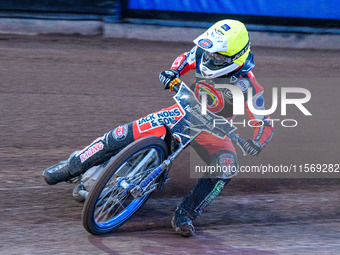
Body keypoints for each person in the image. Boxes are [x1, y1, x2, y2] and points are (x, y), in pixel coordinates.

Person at [43, 19, 274, 237]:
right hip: (184, 110)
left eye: (219, 57)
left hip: (212, 130)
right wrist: (173, 72)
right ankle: (72, 166)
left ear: (238, 57)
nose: (212, 58)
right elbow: (185, 57)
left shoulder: (248, 84)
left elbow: (265, 121)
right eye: (211, 52)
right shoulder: (204, 52)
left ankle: (186, 213)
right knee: (123, 133)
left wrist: (257, 142)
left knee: (227, 164)